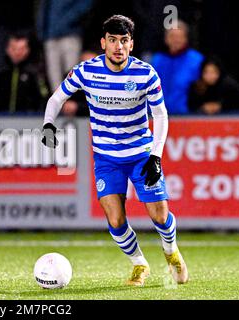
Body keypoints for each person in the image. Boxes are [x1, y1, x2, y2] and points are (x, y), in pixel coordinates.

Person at [41, 15, 188, 286]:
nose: (118, 47)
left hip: (142, 153)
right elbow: (57, 98)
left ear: (131, 45)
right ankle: (139, 264)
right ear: (103, 43)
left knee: (160, 214)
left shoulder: (146, 73)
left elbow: (162, 116)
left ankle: (171, 251)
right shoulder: (86, 71)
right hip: (107, 157)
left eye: (123, 41)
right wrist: (48, 124)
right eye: (112, 41)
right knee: (115, 217)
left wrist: (155, 156)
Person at [37, 0, 94, 92]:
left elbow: (86, 4)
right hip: (50, 36)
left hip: (70, 34)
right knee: (54, 80)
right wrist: (41, 32)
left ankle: (73, 104)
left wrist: (68, 20)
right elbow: (43, 9)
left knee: (72, 77)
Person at [151, 20, 204, 115]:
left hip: (188, 116)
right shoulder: (157, 60)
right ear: (166, 39)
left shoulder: (196, 60)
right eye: (172, 36)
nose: (176, 40)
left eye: (179, 37)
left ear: (186, 39)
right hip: (158, 115)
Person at [0, 33, 47, 113]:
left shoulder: (34, 74)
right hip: (1, 121)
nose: (17, 53)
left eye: (21, 49)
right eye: (14, 48)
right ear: (7, 50)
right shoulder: (0, 74)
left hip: (28, 121)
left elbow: (43, 98)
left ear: (28, 50)